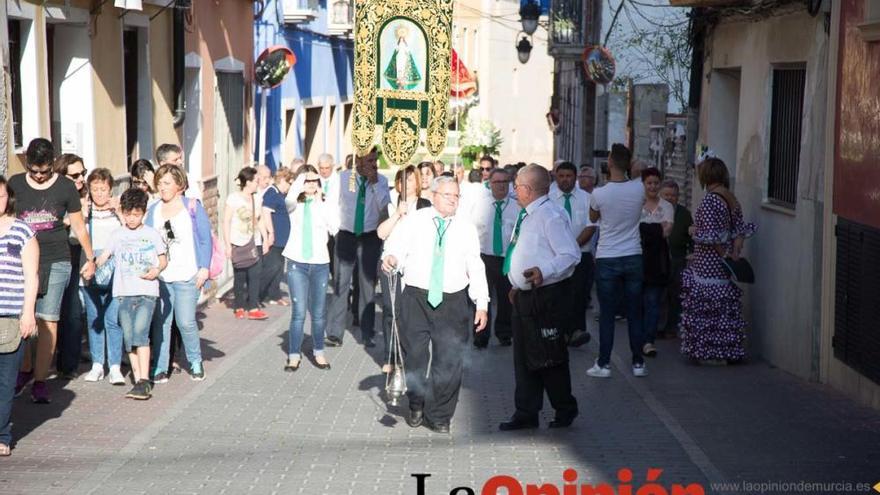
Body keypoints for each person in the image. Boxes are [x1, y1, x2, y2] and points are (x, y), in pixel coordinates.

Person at [382, 176, 489, 434]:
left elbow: (475, 265)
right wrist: (391, 257)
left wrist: (482, 303)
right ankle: (416, 402)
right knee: (416, 355)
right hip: (417, 296)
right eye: (447, 195)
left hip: (452, 299)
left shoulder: (466, 228)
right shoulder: (415, 220)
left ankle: (440, 415)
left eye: (456, 196)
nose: (453, 200)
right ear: (433, 195)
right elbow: (394, 245)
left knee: (449, 360)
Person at [12, 138, 96, 404]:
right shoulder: (14, 183)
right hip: (22, 260)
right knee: (23, 319)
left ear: (52, 163)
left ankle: (40, 380)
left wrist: (90, 258)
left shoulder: (66, 187)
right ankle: (25, 370)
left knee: (48, 320)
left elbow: (79, 226)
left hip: (57, 259)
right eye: (33, 170)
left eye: (44, 171)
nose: (38, 176)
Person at [498, 164, 580, 431]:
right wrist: (517, 283)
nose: (514, 190)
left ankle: (565, 408)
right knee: (523, 357)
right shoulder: (528, 214)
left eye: (517, 186)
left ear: (527, 189)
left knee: (548, 355)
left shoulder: (550, 215)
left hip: (546, 296)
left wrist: (543, 272)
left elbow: (570, 255)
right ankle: (526, 412)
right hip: (525, 295)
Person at [680, 158, 755, 365]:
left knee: (708, 307)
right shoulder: (730, 197)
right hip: (722, 263)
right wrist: (734, 252)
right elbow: (740, 230)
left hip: (709, 263)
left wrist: (695, 232)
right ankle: (726, 349)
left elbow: (711, 236)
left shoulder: (711, 199)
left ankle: (711, 351)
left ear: (705, 176)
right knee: (723, 306)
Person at [98, 188, 167, 400]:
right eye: (128, 214)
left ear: (144, 213)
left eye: (136, 214)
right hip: (123, 293)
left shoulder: (151, 234)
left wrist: (157, 270)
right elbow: (104, 256)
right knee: (129, 337)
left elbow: (163, 259)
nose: (131, 218)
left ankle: (144, 379)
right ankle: (138, 379)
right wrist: (92, 265)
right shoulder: (117, 234)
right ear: (123, 212)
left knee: (140, 332)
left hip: (147, 292)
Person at [145, 164, 212, 383]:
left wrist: (204, 268)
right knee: (161, 323)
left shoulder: (192, 206)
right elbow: (146, 241)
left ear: (179, 185)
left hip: (188, 274)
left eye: (167, 183)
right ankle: (160, 366)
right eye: (159, 183)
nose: (162, 187)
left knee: (185, 322)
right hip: (162, 277)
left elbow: (204, 238)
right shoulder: (153, 210)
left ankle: (195, 360)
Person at [587, 143, 647, 379]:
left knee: (608, 313)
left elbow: (593, 217)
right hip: (633, 254)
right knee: (635, 312)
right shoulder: (639, 189)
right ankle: (638, 363)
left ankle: (603, 364)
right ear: (629, 164)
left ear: (609, 163)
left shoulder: (599, 194)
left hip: (607, 257)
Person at [325, 148, 390, 348]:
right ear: (358, 160)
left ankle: (367, 332)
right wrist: (336, 230)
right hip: (346, 235)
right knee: (340, 283)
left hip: (370, 236)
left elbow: (384, 207)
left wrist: (374, 184)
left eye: (374, 160)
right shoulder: (343, 178)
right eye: (368, 160)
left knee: (367, 285)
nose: (372, 163)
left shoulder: (381, 181)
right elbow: (331, 205)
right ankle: (335, 332)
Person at [282, 167, 337, 371]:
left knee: (319, 312)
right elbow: (289, 199)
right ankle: (294, 354)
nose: (311, 184)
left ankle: (318, 351)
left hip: (320, 263)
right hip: (297, 262)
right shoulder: (294, 203)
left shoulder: (324, 204)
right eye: (308, 180)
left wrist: (323, 202)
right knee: (298, 311)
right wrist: (301, 179)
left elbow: (335, 226)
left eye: (315, 180)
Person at [377, 166, 430, 372]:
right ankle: (390, 356)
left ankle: (410, 356)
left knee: (411, 314)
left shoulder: (426, 206)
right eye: (402, 180)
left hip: (417, 266)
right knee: (392, 312)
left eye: (410, 180)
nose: (406, 184)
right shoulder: (390, 206)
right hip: (391, 264)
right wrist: (397, 215)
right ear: (397, 185)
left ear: (417, 182)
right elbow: (381, 233)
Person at [0, 176, 39, 456]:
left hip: (11, 316)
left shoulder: (22, 231)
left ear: (8, 197)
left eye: (1, 196)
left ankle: (2, 435)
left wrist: (28, 313)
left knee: (5, 380)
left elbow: (31, 276)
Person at [82, 169, 125, 385]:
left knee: (113, 318)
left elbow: (129, 233)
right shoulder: (85, 211)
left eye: (104, 189)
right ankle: (97, 364)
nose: (99, 194)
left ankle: (115, 365)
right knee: (94, 319)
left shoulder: (118, 210)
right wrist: (81, 213)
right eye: (95, 189)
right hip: (90, 268)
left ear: (111, 189)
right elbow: (75, 236)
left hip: (115, 269)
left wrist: (119, 211)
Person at [470, 168, 518, 348]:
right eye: (497, 182)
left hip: (507, 258)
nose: (501, 186)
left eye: (505, 182)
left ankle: (504, 333)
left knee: (506, 299)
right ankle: (481, 335)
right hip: (484, 257)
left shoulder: (516, 207)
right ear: (490, 184)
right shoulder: (480, 206)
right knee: (483, 297)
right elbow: (471, 230)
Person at [551, 161, 596, 348]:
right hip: (556, 255)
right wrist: (562, 249)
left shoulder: (587, 199)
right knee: (558, 295)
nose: (565, 180)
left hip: (580, 254)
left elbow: (591, 226)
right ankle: (560, 331)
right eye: (561, 176)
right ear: (556, 177)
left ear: (575, 177)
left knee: (578, 295)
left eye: (569, 176)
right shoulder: (549, 199)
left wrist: (572, 247)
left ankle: (577, 331)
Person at [55, 154, 89, 380]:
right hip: (56, 256)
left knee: (74, 312)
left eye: (83, 173)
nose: (81, 179)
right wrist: (65, 221)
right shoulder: (55, 198)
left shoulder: (87, 196)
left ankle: (68, 365)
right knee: (53, 312)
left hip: (79, 257)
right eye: (75, 175)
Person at [224, 167, 269, 321]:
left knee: (255, 274)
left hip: (254, 241)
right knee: (240, 276)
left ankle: (253, 307)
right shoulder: (233, 198)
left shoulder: (257, 198)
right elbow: (226, 221)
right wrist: (228, 244)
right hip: (238, 242)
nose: (258, 183)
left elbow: (260, 219)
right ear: (248, 182)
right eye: (256, 181)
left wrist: (265, 238)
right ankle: (239, 306)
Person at [639, 168, 674, 357]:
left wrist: (644, 228)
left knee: (653, 302)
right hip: (637, 259)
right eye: (649, 183)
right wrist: (656, 229)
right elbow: (632, 230)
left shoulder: (667, 206)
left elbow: (667, 231)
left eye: (656, 183)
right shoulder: (636, 205)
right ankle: (637, 339)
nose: (653, 186)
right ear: (643, 184)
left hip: (658, 262)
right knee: (637, 303)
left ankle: (648, 341)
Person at [659, 179, 692, 339]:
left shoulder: (684, 214)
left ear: (678, 197)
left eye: (673, 195)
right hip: (657, 259)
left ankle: (671, 327)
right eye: (666, 195)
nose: (669, 198)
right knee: (659, 293)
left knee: (675, 294)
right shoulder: (654, 211)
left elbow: (691, 236)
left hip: (678, 259)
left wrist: (691, 254)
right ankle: (658, 326)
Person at [259, 167, 292, 306]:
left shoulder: (280, 194)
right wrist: (270, 233)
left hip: (282, 238)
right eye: (289, 183)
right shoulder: (272, 193)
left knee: (279, 268)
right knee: (271, 267)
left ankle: (274, 294)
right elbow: (266, 213)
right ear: (283, 180)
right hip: (276, 237)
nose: (289, 187)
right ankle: (257, 295)